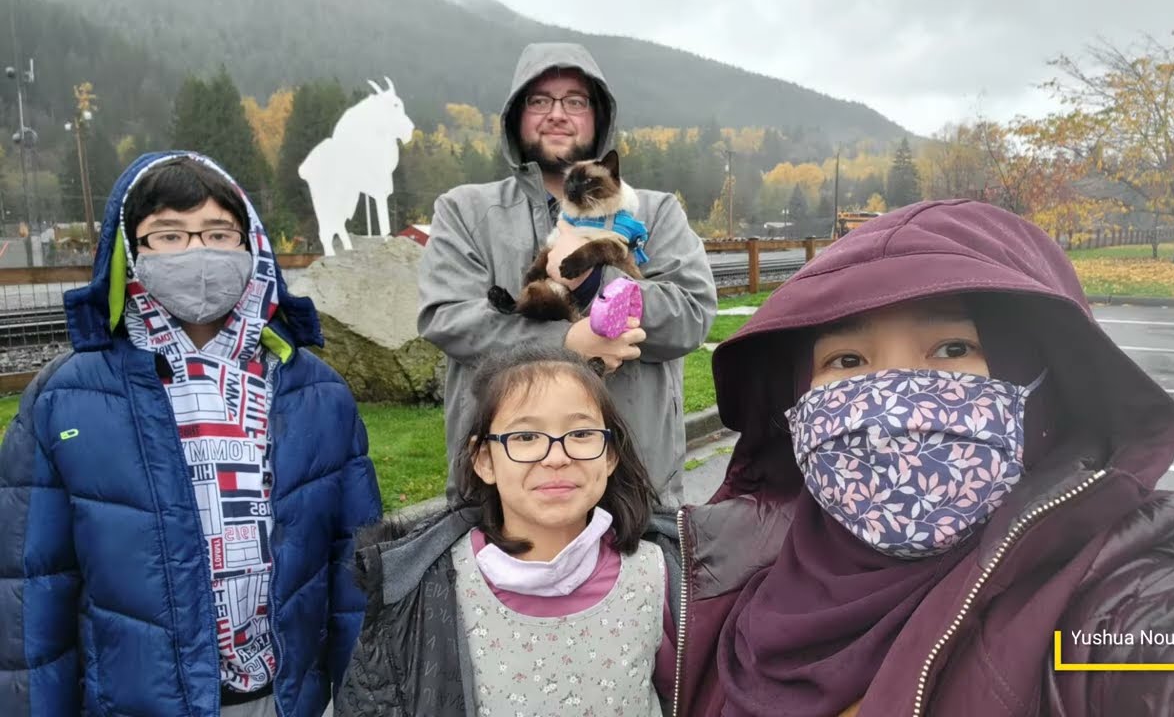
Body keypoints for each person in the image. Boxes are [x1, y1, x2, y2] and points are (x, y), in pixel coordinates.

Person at [667, 200, 1174, 716]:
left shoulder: (1100, 614)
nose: (896, 400)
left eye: (952, 347)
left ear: (1042, 391)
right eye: (847, 362)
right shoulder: (714, 582)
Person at [0, 152, 383, 716]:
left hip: (284, 700)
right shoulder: (66, 398)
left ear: (250, 245)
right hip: (134, 701)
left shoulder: (316, 393)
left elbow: (355, 570)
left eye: (218, 233)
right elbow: (33, 589)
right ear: (132, 251)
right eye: (169, 234)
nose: (197, 252)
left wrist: (363, 699)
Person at [418, 42, 717, 507]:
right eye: (539, 100)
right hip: (499, 496)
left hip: (635, 490)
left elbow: (691, 315)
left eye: (575, 101)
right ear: (516, 115)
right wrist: (568, 343)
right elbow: (447, 317)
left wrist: (602, 279)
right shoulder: (465, 210)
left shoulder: (655, 212)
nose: (557, 113)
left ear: (598, 116)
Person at [334, 345, 679, 716]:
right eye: (525, 438)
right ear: (484, 460)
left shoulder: (661, 575)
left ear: (610, 454)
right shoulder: (422, 592)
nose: (557, 456)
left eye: (581, 433)